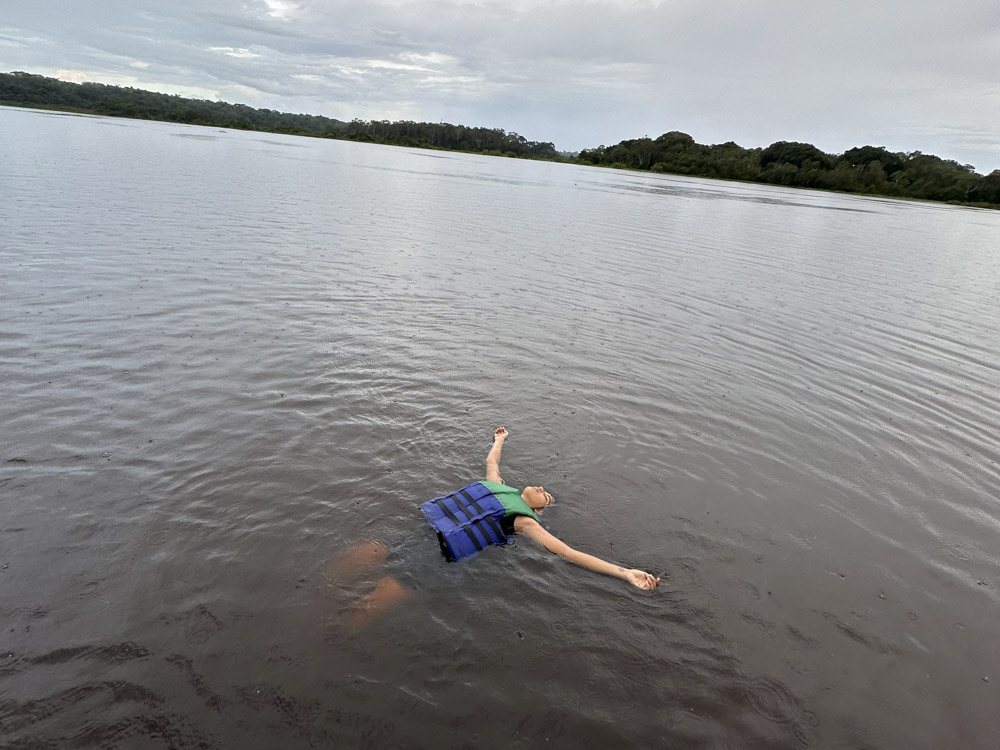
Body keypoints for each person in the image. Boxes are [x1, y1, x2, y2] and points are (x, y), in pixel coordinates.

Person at [327, 427, 659, 624]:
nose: (544, 490)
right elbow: (491, 462)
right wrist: (500, 439)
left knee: (364, 608)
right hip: (418, 535)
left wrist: (624, 572)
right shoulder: (500, 486)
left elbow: (567, 552)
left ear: (540, 512)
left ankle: (328, 644)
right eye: (545, 490)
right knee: (344, 566)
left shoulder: (525, 522)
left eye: (547, 497)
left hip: (432, 561)